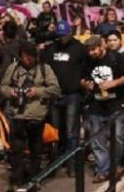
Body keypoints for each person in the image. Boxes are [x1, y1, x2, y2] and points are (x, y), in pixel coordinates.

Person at [0, 41, 61, 192]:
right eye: (24, 57)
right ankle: (16, 180)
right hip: (17, 115)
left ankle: (35, 179)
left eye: (30, 57)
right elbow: (3, 87)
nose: (27, 60)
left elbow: (55, 89)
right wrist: (12, 92)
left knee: (36, 151)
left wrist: (37, 92)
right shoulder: (13, 68)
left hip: (36, 117)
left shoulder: (44, 69)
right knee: (16, 151)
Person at [81, 36, 124, 183]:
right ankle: (103, 169)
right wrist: (85, 84)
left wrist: (113, 83)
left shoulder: (116, 58)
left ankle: (115, 165)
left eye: (94, 50)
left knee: (117, 137)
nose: (91, 53)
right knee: (97, 140)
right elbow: (82, 78)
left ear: (101, 47)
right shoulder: (87, 61)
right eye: (89, 50)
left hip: (115, 104)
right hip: (96, 105)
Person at [42, 20, 88, 177]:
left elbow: (86, 68)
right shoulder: (51, 49)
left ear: (70, 33)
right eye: (59, 36)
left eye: (64, 35)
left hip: (72, 95)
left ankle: (72, 164)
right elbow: (44, 66)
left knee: (71, 132)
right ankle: (55, 162)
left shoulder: (79, 49)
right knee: (55, 132)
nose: (62, 39)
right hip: (55, 95)